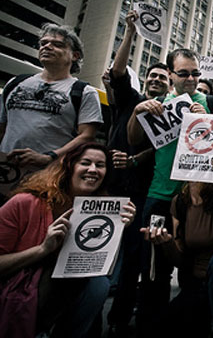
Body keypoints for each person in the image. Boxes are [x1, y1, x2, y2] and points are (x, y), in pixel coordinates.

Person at [127, 48, 213, 338]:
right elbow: (134, 139)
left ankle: (193, 323)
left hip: (198, 200)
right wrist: (138, 112)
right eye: (184, 73)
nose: (191, 78)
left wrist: (210, 118)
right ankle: (151, 325)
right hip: (161, 196)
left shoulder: (210, 101)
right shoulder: (157, 103)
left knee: (195, 270)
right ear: (171, 74)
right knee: (154, 268)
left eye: (195, 73)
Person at [0, 142, 136, 338]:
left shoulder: (105, 212)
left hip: (60, 292)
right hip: (17, 287)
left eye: (100, 165)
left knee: (99, 284)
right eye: (86, 163)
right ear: (69, 166)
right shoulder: (24, 202)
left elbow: (100, 267)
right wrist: (42, 249)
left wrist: (119, 229)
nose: (93, 170)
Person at [140, 152, 213, 337]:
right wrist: (166, 242)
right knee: (161, 327)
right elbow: (181, 259)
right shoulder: (180, 202)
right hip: (198, 285)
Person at [105, 9, 168, 337]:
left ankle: (118, 317)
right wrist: (130, 30)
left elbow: (160, 150)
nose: (157, 81)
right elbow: (117, 71)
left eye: (163, 79)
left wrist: (134, 160)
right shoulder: (129, 98)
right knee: (99, 247)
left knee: (133, 256)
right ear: (144, 80)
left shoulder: (170, 111)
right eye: (153, 76)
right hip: (109, 187)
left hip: (141, 191)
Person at [0, 23, 102, 170]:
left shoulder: (84, 92)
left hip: (49, 175)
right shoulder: (16, 83)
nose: (46, 47)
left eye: (57, 44)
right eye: (43, 43)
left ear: (75, 55)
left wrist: (49, 157)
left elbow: (86, 136)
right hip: (5, 170)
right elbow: (2, 127)